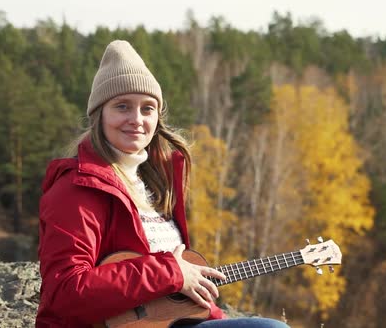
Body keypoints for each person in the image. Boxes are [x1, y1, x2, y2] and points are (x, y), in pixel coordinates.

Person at [36, 40, 289, 328]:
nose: (137, 119)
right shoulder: (76, 189)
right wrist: (171, 272)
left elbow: (178, 292)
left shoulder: (156, 183)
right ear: (99, 115)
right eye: (122, 106)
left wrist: (213, 313)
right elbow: (66, 291)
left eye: (147, 109)